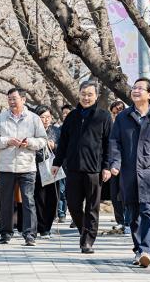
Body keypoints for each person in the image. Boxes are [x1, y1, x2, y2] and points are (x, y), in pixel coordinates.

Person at [109, 77, 150, 268]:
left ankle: (146, 250)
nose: (135, 91)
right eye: (134, 88)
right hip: (129, 172)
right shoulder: (123, 117)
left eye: (140, 88)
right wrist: (115, 163)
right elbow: (115, 142)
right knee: (133, 213)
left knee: (148, 211)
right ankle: (138, 250)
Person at [51, 81, 112, 254]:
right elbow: (63, 142)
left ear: (96, 96)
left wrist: (106, 166)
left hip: (94, 169)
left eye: (90, 94)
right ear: (79, 94)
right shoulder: (72, 116)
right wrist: (57, 163)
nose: (86, 97)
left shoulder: (103, 116)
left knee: (92, 207)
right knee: (73, 205)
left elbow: (109, 144)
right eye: (83, 94)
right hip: (73, 168)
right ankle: (84, 231)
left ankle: (88, 241)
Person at [0, 88, 47, 246]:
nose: (12, 102)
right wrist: (7, 141)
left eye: (14, 99)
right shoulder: (0, 118)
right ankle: (6, 233)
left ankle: (29, 234)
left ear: (23, 100)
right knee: (6, 201)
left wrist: (30, 143)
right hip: (6, 167)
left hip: (27, 166)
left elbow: (42, 140)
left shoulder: (33, 118)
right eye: (9, 99)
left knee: (29, 201)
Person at [34, 105, 60, 239]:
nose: (45, 120)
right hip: (36, 168)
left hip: (52, 168)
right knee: (39, 198)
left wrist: (54, 146)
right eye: (42, 117)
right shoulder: (32, 130)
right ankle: (40, 226)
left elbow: (63, 147)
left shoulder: (56, 131)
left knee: (52, 198)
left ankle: (47, 227)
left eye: (48, 117)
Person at [109, 100, 129, 234]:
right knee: (114, 194)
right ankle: (120, 221)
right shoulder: (110, 126)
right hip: (113, 166)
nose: (117, 115)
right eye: (114, 113)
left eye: (119, 111)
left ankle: (127, 222)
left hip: (127, 165)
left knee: (126, 195)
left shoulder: (129, 125)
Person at [56, 104, 72, 224]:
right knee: (61, 190)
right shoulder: (58, 129)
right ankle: (61, 213)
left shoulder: (78, 128)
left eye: (68, 113)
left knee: (73, 191)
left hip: (73, 164)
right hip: (61, 164)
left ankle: (74, 216)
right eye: (64, 113)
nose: (65, 115)